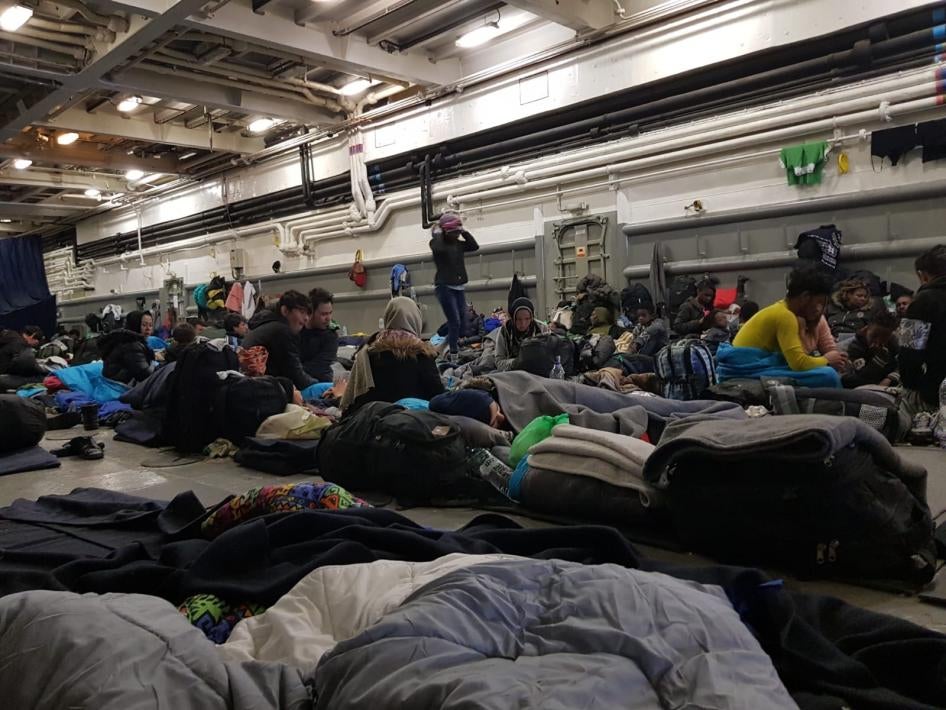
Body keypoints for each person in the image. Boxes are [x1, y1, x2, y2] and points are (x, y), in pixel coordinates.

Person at [717, 263, 847, 387]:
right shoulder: (785, 316)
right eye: (818, 302)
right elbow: (798, 363)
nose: (819, 309)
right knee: (827, 375)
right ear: (805, 297)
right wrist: (826, 360)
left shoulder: (783, 310)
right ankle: (846, 408)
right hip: (742, 371)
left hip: (750, 367)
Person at [341, 297, 443, 412]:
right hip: (412, 420)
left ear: (388, 318)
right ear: (416, 320)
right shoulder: (422, 354)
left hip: (372, 418)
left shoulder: (368, 351)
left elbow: (357, 396)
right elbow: (438, 395)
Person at [898, 245, 946, 415]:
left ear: (922, 275)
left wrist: (913, 386)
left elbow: (909, 354)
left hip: (936, 396)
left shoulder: (922, 302)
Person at [242, 290, 315, 391]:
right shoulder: (281, 331)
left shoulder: (266, 326)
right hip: (265, 391)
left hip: (254, 387)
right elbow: (296, 375)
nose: (306, 318)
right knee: (326, 388)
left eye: (308, 314)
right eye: (302, 312)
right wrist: (318, 383)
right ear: (285, 311)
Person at [430, 211, 479, 362]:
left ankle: (443, 344)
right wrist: (438, 233)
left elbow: (474, 246)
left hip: (458, 287)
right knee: (455, 321)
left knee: (464, 323)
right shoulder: (437, 243)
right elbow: (438, 248)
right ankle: (453, 353)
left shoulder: (458, 244)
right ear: (446, 231)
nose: (457, 235)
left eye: (458, 232)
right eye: (455, 232)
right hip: (444, 287)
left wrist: (464, 231)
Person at [841, 310, 900, 389]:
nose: (878, 341)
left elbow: (903, 365)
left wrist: (890, 378)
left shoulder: (893, 342)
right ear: (867, 328)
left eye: (884, 338)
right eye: (874, 335)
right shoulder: (854, 346)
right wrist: (879, 360)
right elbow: (857, 377)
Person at [495, 297, 548, 371]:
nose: (523, 324)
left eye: (527, 319)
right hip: (512, 371)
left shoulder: (541, 328)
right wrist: (517, 362)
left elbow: (549, 356)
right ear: (513, 318)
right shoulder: (504, 331)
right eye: (519, 319)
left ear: (532, 318)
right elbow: (499, 362)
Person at [300, 287, 339, 383]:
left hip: (320, 381)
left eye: (330, 313)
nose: (328, 318)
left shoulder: (331, 335)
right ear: (310, 312)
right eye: (324, 314)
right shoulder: (297, 329)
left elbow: (319, 367)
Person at [98, 319, 154, 384]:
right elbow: (144, 375)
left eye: (150, 325)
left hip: (111, 381)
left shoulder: (124, 339)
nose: (148, 329)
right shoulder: (132, 345)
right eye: (144, 325)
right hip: (119, 385)